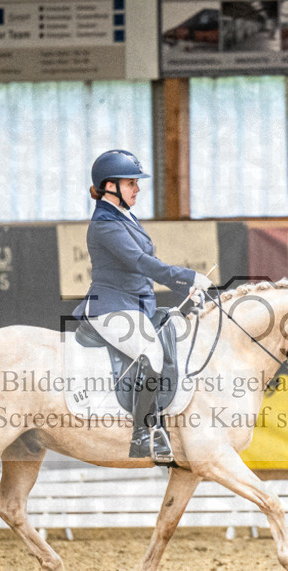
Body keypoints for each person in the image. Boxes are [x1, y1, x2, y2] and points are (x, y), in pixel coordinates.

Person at [72, 150, 213, 465]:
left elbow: (146, 265)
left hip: (135, 304)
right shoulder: (104, 224)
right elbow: (140, 262)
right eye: (131, 183)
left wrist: (184, 285)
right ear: (110, 186)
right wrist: (187, 275)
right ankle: (142, 433)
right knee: (151, 354)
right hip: (110, 307)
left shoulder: (124, 217)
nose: (137, 189)